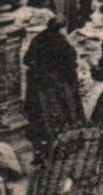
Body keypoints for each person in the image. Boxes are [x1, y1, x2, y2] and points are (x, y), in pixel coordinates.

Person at [24, 15, 84, 151]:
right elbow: (71, 65)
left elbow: (27, 60)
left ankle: (42, 141)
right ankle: (60, 143)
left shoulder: (38, 39)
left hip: (39, 84)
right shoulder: (62, 43)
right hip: (57, 84)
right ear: (62, 29)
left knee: (40, 114)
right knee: (61, 112)